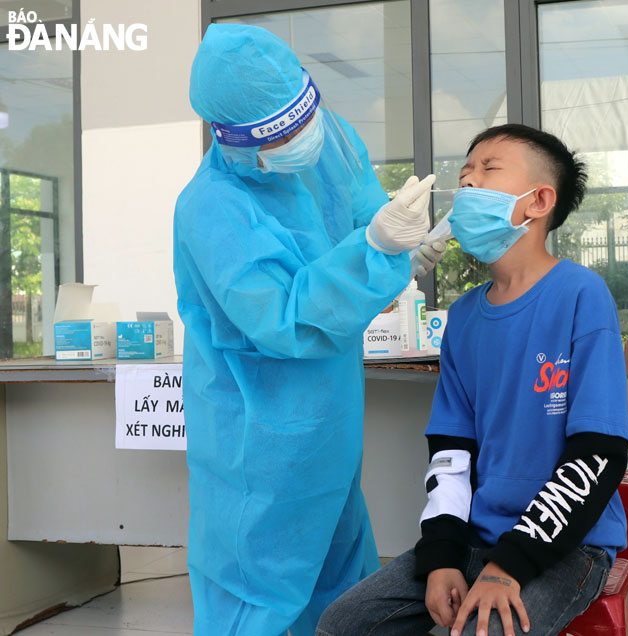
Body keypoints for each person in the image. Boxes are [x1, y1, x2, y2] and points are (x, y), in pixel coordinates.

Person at [173, 24, 445, 636]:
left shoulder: (330, 139)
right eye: (285, 133)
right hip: (258, 439)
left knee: (344, 584)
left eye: (305, 118)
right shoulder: (212, 207)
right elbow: (284, 317)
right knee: (257, 591)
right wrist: (374, 252)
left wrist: (405, 246)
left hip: (331, 421)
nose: (305, 139)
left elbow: (362, 214)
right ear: (235, 139)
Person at [317, 124, 628, 636]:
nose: (466, 186)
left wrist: (509, 567)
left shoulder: (581, 295)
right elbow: (451, 450)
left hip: (566, 547)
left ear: (539, 201)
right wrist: (441, 555)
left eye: (487, 171)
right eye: (463, 175)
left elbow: (598, 452)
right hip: (473, 538)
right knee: (342, 625)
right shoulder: (463, 317)